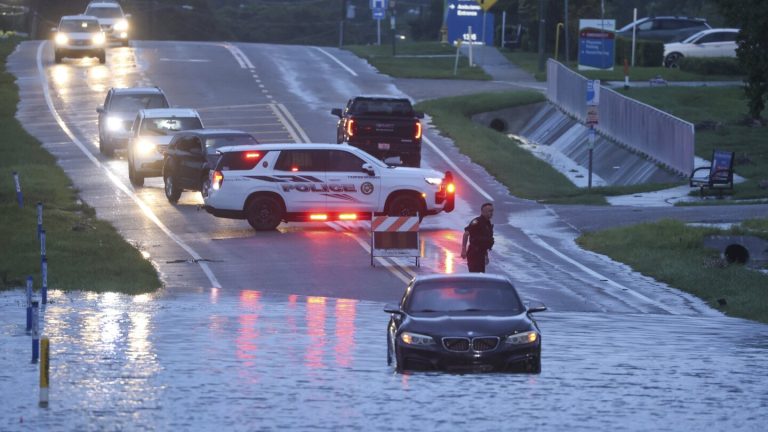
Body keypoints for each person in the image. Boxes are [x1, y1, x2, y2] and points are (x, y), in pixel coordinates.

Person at [460, 202, 494, 273]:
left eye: (492, 211)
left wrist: (486, 255)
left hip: (481, 254)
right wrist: (463, 250)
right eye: (489, 211)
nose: (491, 213)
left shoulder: (487, 223)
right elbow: (466, 234)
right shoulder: (476, 222)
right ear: (483, 212)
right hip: (474, 254)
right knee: (475, 275)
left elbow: (484, 242)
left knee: (481, 275)